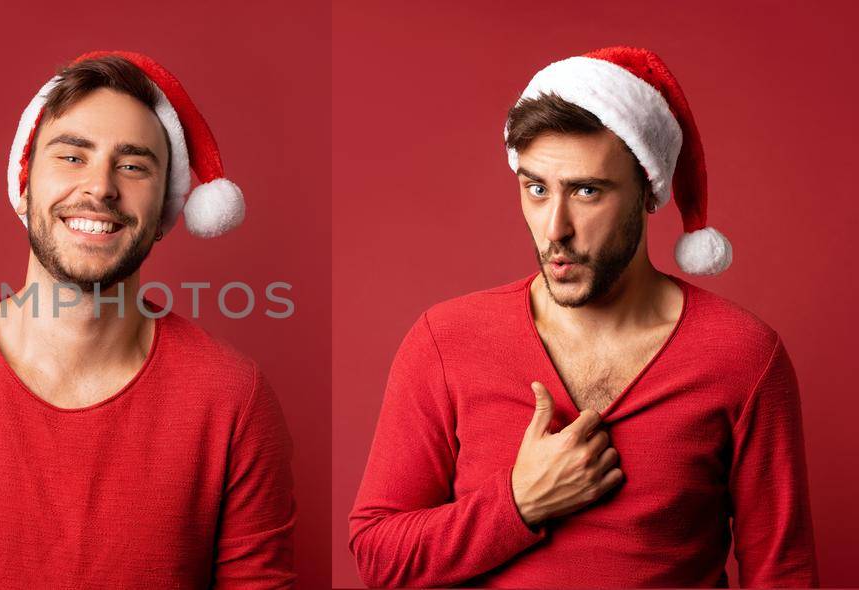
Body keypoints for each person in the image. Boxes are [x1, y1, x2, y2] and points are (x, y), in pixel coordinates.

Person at [348, 47, 816, 588]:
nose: (554, 229)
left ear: (647, 191)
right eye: (536, 188)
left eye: (587, 191)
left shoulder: (743, 355)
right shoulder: (446, 340)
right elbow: (378, 557)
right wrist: (519, 503)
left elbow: (784, 574)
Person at [0, 52, 294, 588]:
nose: (100, 187)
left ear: (168, 207)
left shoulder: (233, 398)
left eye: (134, 165)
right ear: (24, 186)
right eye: (72, 157)